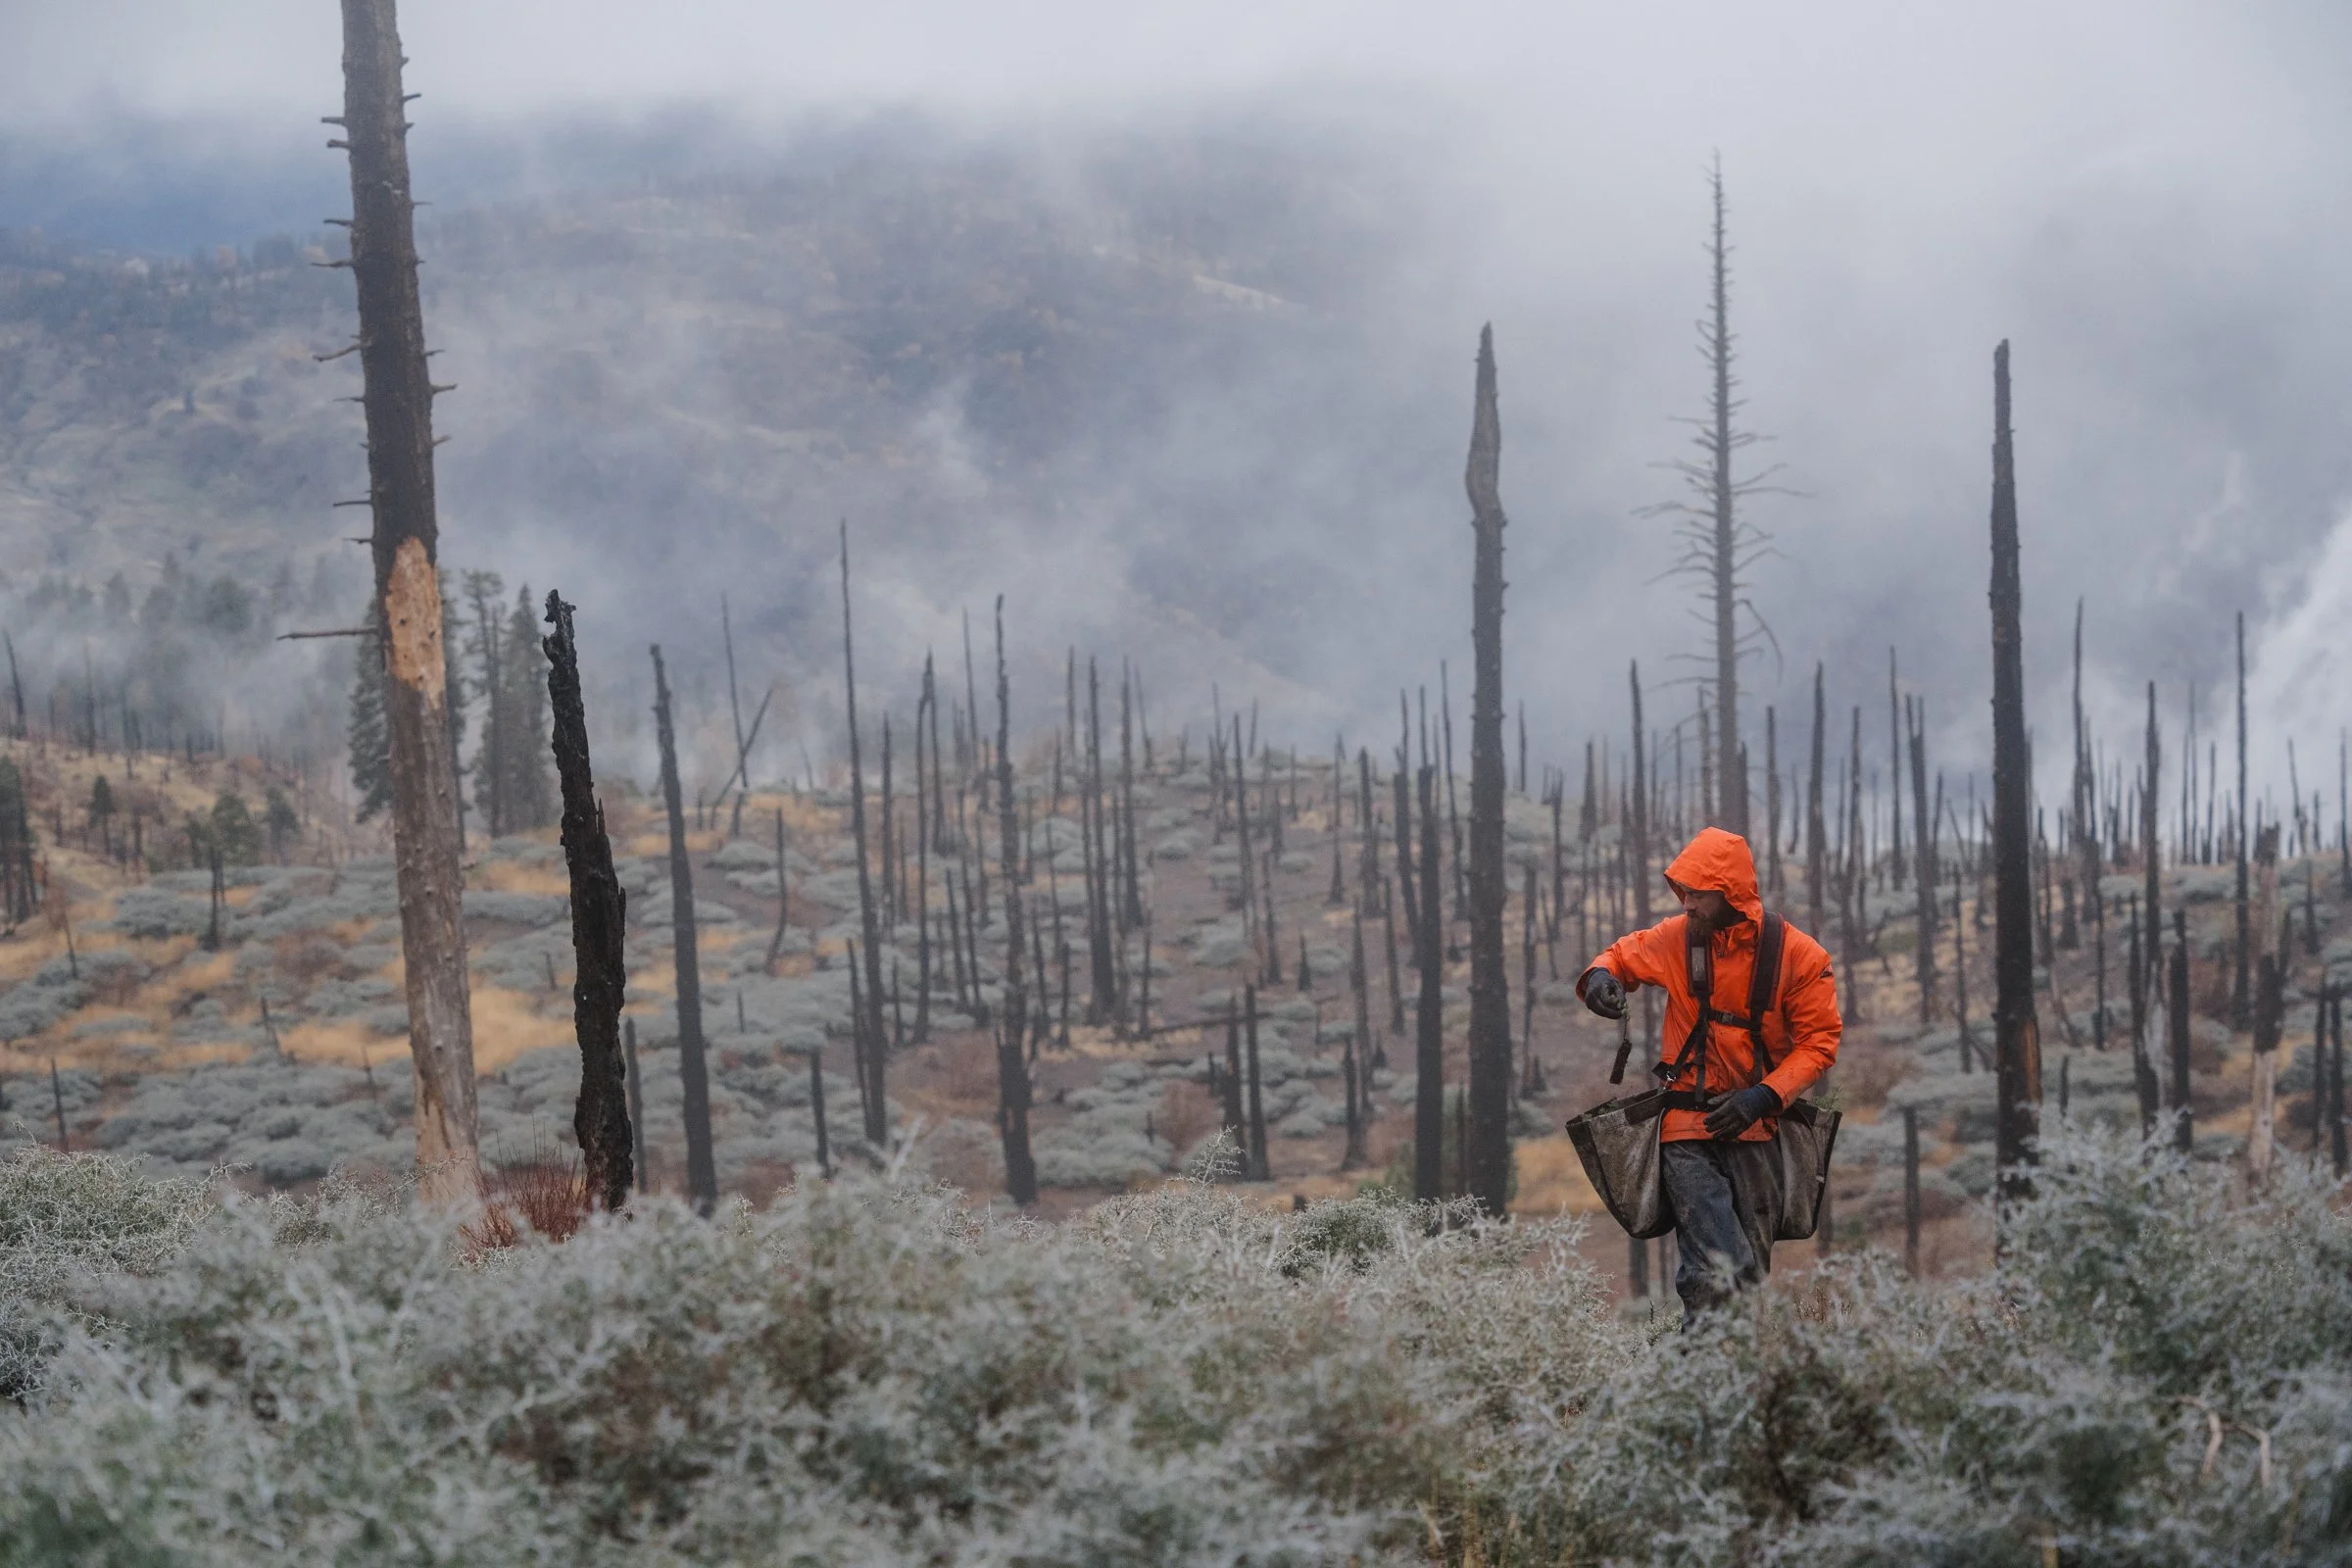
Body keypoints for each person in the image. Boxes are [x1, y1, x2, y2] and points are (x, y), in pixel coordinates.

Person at [1577, 825, 1839, 1317]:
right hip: (1685, 1131)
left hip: (1759, 1128)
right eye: (1684, 892)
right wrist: (1599, 979)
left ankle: (1706, 1383)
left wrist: (1763, 1096)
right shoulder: (1677, 938)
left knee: (1746, 1281)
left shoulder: (1801, 957)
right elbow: (1617, 957)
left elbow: (1819, 1044)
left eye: (1698, 893)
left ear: (1731, 894)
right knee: (1721, 1270)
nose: (1687, 904)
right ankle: (1703, 1386)